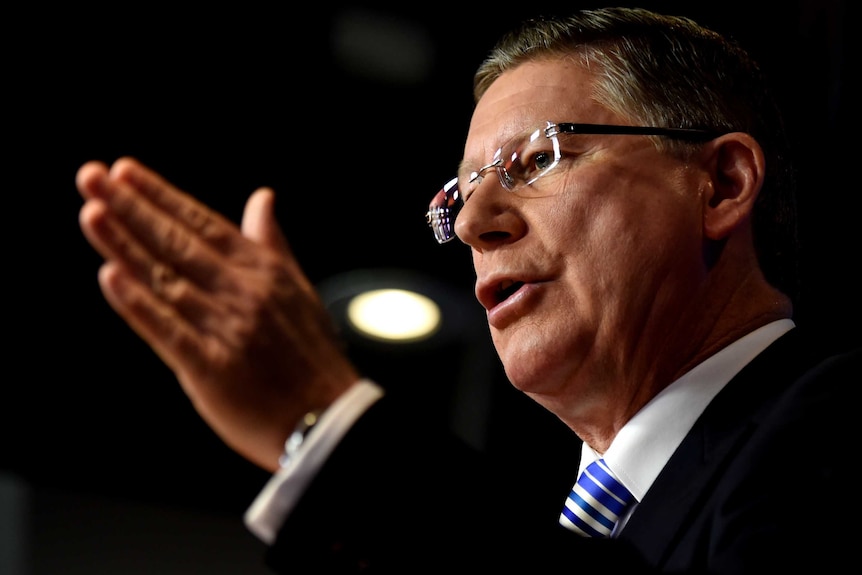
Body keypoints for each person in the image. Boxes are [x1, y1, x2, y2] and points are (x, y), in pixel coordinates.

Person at [76, 6, 858, 574]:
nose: (477, 221)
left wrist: (326, 423)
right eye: (458, 195)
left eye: (537, 160)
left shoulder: (841, 428)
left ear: (720, 184)